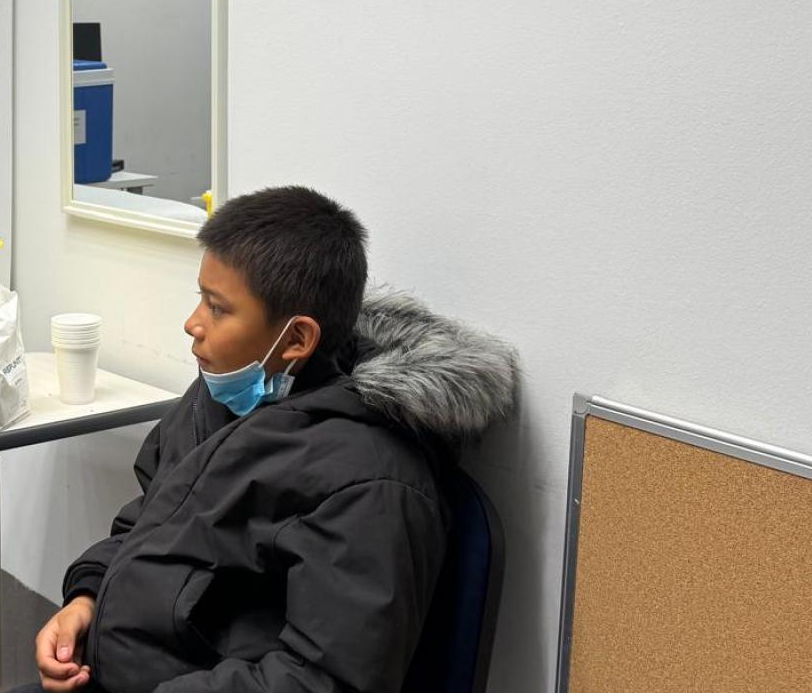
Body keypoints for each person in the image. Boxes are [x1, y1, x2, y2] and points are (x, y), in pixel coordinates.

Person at [26, 186, 520, 693]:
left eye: (218, 308)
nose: (192, 323)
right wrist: (86, 597)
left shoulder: (370, 482)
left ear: (297, 340)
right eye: (200, 297)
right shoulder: (224, 398)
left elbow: (326, 680)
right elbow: (146, 524)